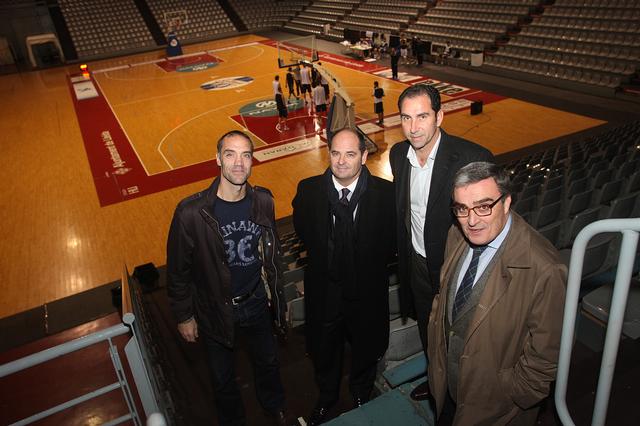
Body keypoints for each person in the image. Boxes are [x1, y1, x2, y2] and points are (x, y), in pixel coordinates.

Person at [428, 161, 567, 425]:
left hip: (497, 409)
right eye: (462, 208)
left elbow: (546, 354)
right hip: (447, 389)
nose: (471, 221)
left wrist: (514, 395)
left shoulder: (545, 269)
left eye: (483, 207)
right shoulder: (455, 235)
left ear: (506, 203)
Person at [166, 130, 288, 426]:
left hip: (256, 301)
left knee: (268, 362)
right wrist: (184, 316)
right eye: (230, 154)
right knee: (222, 378)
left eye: (246, 155)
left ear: (252, 160)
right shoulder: (191, 213)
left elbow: (271, 256)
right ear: (218, 159)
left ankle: (273, 406)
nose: (238, 163)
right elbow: (178, 272)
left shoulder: (264, 201)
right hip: (215, 308)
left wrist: (277, 298)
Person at [389, 84, 494, 402]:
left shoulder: (472, 158)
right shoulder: (398, 156)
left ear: (439, 117)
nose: (413, 127)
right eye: (406, 118)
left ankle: (464, 394)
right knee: (428, 327)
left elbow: (491, 223)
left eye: (422, 116)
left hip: (458, 268)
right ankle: (436, 381)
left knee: (461, 335)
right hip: (417, 264)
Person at [292, 128, 395, 425]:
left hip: (367, 291)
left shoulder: (387, 194)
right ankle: (327, 397)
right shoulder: (308, 191)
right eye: (335, 153)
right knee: (324, 350)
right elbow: (305, 233)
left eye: (350, 154)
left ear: (363, 156)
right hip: (325, 291)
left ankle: (361, 391)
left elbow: (390, 243)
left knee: (365, 346)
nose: (341, 161)